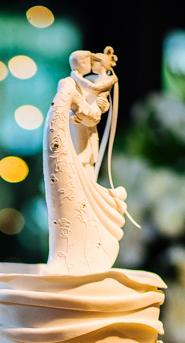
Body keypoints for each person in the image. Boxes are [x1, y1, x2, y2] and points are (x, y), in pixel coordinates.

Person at [43, 47, 129, 275]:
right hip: (73, 136)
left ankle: (88, 224)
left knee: (86, 175)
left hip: (86, 138)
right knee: (73, 177)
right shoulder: (76, 83)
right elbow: (91, 106)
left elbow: (96, 112)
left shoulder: (91, 83)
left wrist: (82, 109)